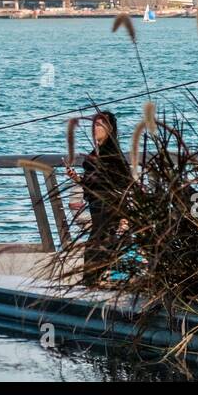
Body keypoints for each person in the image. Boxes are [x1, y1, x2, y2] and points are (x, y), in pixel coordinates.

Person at [79, 111, 130, 285]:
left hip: (109, 207)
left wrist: (124, 214)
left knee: (98, 245)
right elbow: (92, 184)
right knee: (98, 244)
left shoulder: (113, 155)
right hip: (96, 207)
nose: (95, 128)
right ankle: (92, 280)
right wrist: (77, 179)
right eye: (94, 124)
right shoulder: (95, 154)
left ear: (110, 129)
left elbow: (125, 182)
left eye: (100, 125)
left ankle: (91, 281)